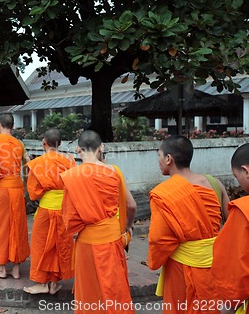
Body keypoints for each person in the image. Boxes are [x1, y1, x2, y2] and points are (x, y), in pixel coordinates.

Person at [148, 135, 229, 314]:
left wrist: (153, 261)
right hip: (212, 266)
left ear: (169, 159)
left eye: (159, 156)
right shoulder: (215, 184)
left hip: (180, 268)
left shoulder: (164, 193)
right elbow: (230, 226)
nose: (158, 161)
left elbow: (159, 239)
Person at [60, 130, 136, 314]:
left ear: (78, 149)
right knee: (114, 289)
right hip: (111, 238)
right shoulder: (114, 171)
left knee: (89, 291)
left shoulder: (72, 176)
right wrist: (127, 227)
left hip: (86, 242)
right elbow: (131, 206)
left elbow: (69, 218)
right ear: (101, 148)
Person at [23, 128, 75, 295]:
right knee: (60, 245)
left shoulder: (37, 163)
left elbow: (33, 193)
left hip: (46, 209)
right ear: (60, 143)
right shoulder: (70, 162)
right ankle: (54, 283)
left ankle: (41, 283)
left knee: (41, 245)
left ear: (43, 143)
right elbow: (74, 187)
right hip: (64, 211)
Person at [0, 113, 30, 279]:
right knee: (18, 226)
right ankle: (16, 269)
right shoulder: (19, 144)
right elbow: (27, 165)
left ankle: (1, 267)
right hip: (17, 188)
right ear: (12, 126)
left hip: (4, 187)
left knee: (1, 226)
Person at [211, 143, 249, 314]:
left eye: (236, 176)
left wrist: (229, 304)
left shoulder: (244, 210)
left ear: (246, 171)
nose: (238, 182)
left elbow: (233, 266)